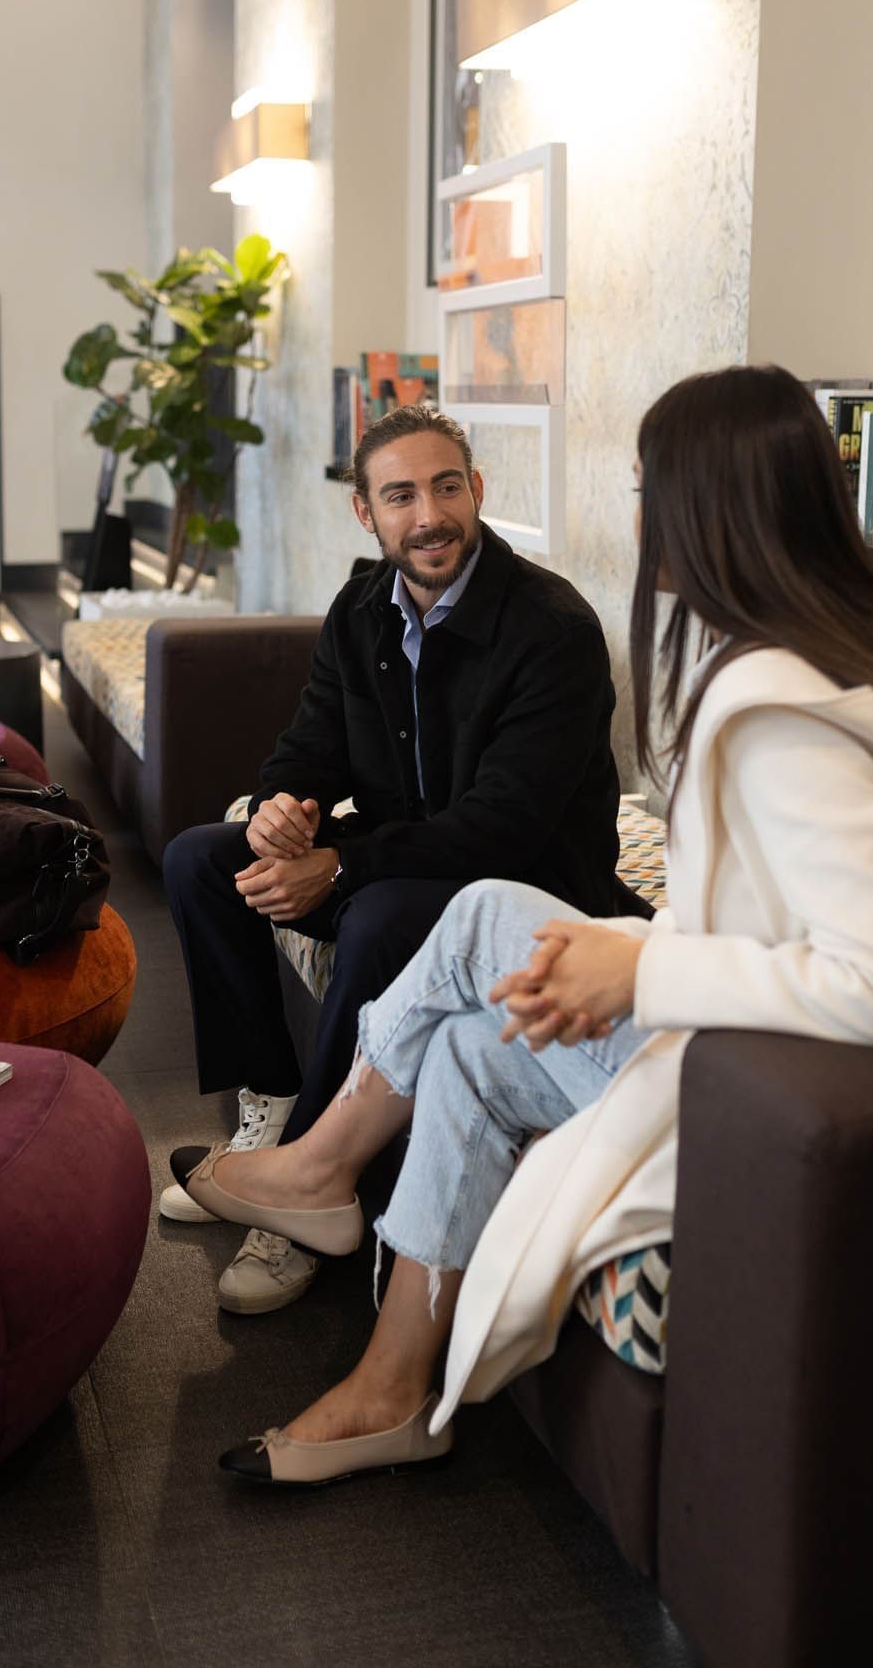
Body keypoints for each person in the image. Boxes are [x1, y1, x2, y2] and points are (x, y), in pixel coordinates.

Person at [179, 364, 873, 1485]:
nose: (637, 516)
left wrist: (640, 972)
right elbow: (774, 927)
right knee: (455, 1040)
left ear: (710, 507)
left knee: (478, 907)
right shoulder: (819, 659)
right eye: (399, 494)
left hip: (752, 1088)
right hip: (735, 1041)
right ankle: (392, 1383)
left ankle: (316, 1170)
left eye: (648, 488)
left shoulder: (786, 711)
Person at [162, 401, 628, 1316]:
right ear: (366, 513)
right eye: (402, 494)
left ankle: (314, 1186)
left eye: (447, 487)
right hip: (403, 855)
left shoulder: (553, 630)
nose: (430, 515)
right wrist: (280, 816)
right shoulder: (360, 608)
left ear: (478, 491)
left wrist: (337, 867)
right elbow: (309, 745)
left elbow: (502, 827)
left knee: (377, 917)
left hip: (523, 886)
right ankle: (273, 1109)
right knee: (198, 860)